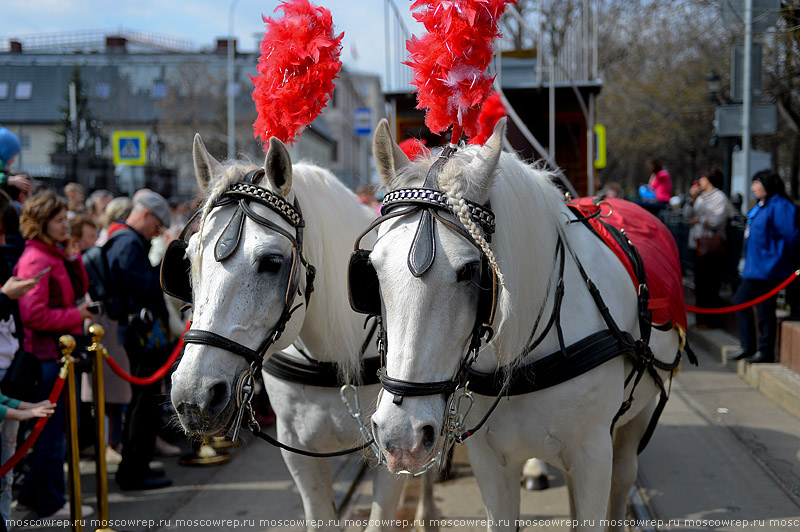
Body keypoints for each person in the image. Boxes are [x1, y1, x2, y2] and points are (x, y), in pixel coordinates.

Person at [14, 191, 95, 518]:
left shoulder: (52, 254)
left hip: (59, 358)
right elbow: (34, 316)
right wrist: (77, 316)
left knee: (56, 433)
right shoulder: (36, 259)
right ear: (42, 222)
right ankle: (48, 501)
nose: (66, 225)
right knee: (52, 435)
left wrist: (73, 258)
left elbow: (77, 292)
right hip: (48, 362)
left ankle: (38, 496)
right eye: (59, 220)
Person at [105, 191, 173, 490]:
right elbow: (145, 286)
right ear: (146, 215)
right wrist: (167, 262)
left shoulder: (127, 240)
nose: (157, 232)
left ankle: (139, 464)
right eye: (157, 225)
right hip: (141, 335)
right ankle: (133, 472)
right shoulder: (127, 243)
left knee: (146, 403)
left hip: (141, 333)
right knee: (143, 403)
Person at [729, 170, 800, 363]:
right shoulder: (762, 206)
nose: (753, 187)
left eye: (756, 183)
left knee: (764, 310)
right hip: (756, 267)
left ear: (767, 184)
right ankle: (748, 346)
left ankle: (765, 351)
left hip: (770, 268)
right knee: (742, 301)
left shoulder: (780, 206)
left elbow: (791, 236)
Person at [685, 167, 731, 328]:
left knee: (710, 285)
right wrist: (691, 199)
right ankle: (701, 319)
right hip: (697, 245)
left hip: (710, 247)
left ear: (710, 180)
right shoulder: (700, 197)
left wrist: (699, 219)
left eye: (703, 179)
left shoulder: (719, 197)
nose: (700, 182)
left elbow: (716, 221)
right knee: (700, 284)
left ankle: (710, 321)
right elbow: (687, 215)